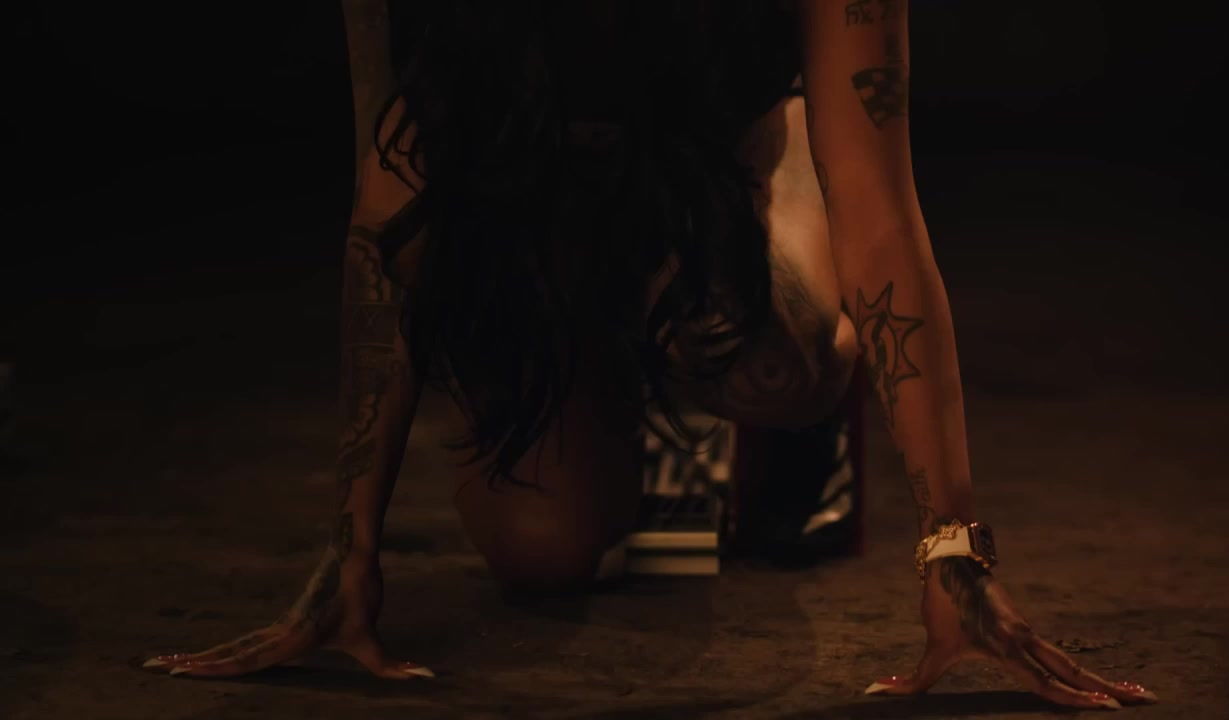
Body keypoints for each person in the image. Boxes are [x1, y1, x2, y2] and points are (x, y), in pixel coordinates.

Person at [145, 0, 1157, 709]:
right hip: (533, 207)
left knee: (780, 364)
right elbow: (388, 214)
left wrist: (954, 552)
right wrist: (350, 547)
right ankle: (621, 365)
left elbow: (881, 213)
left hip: (723, 172)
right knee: (541, 552)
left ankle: (735, 352)